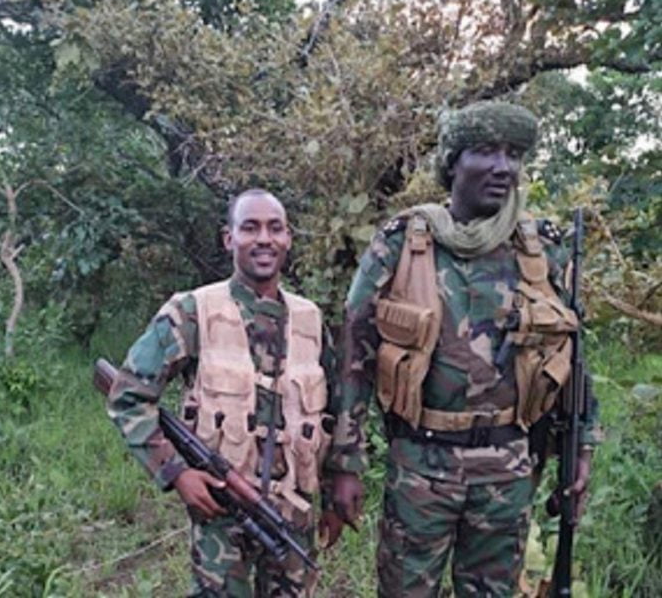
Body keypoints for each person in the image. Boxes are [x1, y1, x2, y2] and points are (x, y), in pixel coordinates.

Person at [327, 101, 601, 597]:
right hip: (421, 466)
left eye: (513, 154)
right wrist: (345, 465)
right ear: (453, 162)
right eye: (486, 151)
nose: (503, 167)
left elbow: (570, 356)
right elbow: (355, 359)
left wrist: (580, 447)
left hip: (509, 468)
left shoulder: (540, 248)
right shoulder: (402, 243)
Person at [107, 189, 342, 597]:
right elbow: (129, 395)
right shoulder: (192, 311)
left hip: (292, 515)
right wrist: (177, 473)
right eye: (249, 227)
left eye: (275, 228)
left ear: (288, 238)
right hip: (220, 508)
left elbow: (335, 412)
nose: (264, 239)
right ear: (228, 238)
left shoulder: (310, 318)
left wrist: (339, 484)